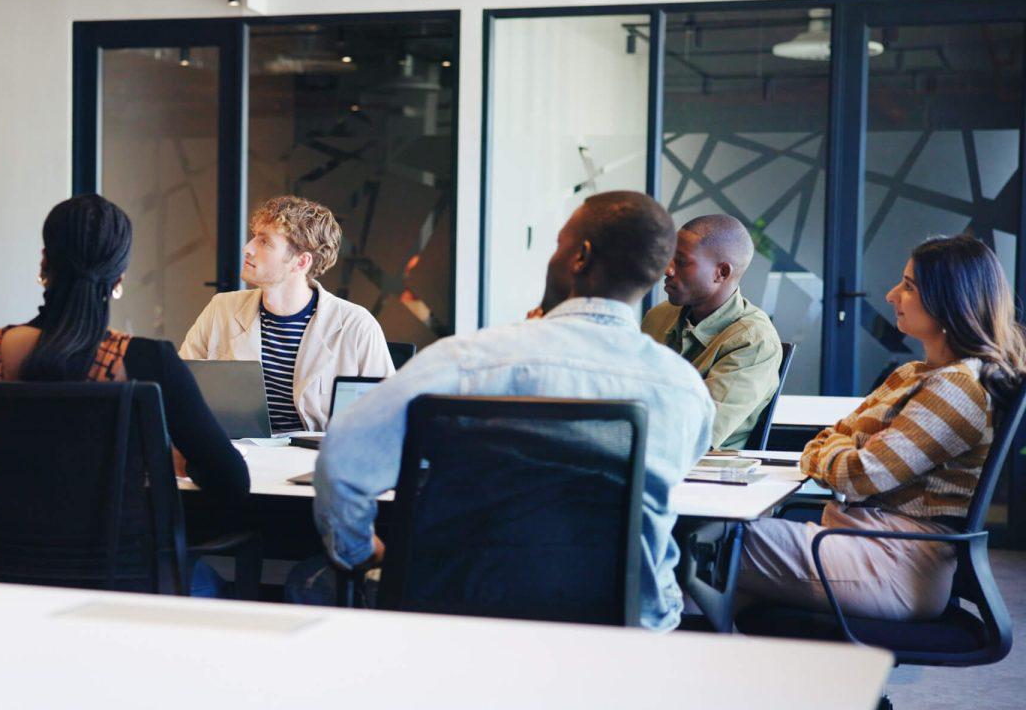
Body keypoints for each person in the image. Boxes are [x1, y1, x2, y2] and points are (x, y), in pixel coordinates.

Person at [288, 191, 715, 631]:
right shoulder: (685, 390)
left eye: (559, 245)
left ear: (580, 257)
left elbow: (342, 462)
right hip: (623, 626)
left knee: (313, 579)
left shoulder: (469, 360)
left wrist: (362, 553)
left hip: (459, 612)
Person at [0, 194, 249, 596]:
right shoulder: (148, 360)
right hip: (123, 582)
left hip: (0, 578)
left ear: (44, 264)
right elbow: (232, 481)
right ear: (119, 279)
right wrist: (178, 460)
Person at [738, 235, 1026, 621]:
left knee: (714, 540)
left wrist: (833, 451)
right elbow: (834, 437)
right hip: (857, 542)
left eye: (908, 286)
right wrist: (838, 448)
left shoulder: (958, 387)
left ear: (949, 301)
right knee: (716, 559)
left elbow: (858, 475)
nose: (891, 296)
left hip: (892, 561)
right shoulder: (913, 374)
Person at [180, 196, 393, 434]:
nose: (247, 248)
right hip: (237, 450)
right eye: (254, 237)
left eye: (265, 242)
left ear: (301, 262)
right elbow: (179, 388)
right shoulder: (221, 308)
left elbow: (385, 418)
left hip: (314, 456)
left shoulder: (357, 325)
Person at [641, 215, 783, 450]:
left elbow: (696, 433)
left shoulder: (753, 341)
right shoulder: (659, 316)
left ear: (722, 273)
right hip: (636, 452)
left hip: (701, 467)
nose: (667, 269)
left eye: (681, 262)